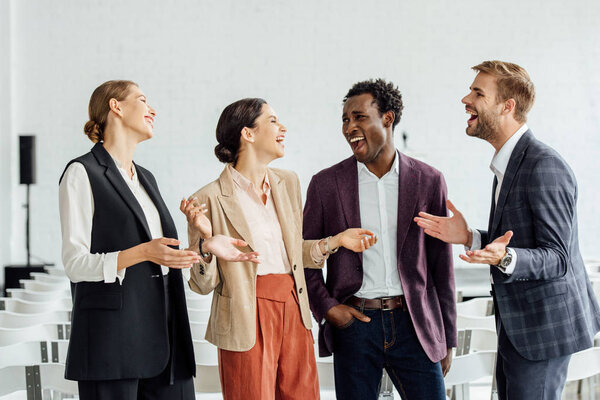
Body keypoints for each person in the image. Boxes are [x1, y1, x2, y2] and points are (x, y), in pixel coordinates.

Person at [414, 60, 600, 400]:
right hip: (519, 326)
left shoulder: (544, 166)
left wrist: (506, 257)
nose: (465, 99)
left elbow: (557, 258)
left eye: (477, 93)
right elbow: (518, 240)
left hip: (543, 331)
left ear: (506, 106)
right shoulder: (509, 162)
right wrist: (470, 236)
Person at [59, 80, 256, 399]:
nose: (152, 109)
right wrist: (141, 252)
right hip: (112, 342)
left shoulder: (146, 177)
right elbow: (75, 265)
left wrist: (204, 246)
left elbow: (162, 258)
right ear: (116, 107)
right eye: (142, 100)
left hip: (167, 332)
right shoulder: (82, 173)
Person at [181, 97, 376, 400]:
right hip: (246, 314)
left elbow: (293, 253)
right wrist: (206, 244)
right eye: (272, 121)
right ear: (248, 133)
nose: (282, 127)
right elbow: (201, 284)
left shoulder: (288, 182)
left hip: (294, 306)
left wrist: (336, 240)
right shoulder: (207, 199)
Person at [303, 79, 456, 400]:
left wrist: (448, 337)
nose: (349, 127)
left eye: (359, 117)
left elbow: (441, 265)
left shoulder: (429, 180)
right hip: (355, 326)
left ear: (387, 118)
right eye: (345, 119)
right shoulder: (325, 184)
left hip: (416, 325)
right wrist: (329, 310)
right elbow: (304, 259)